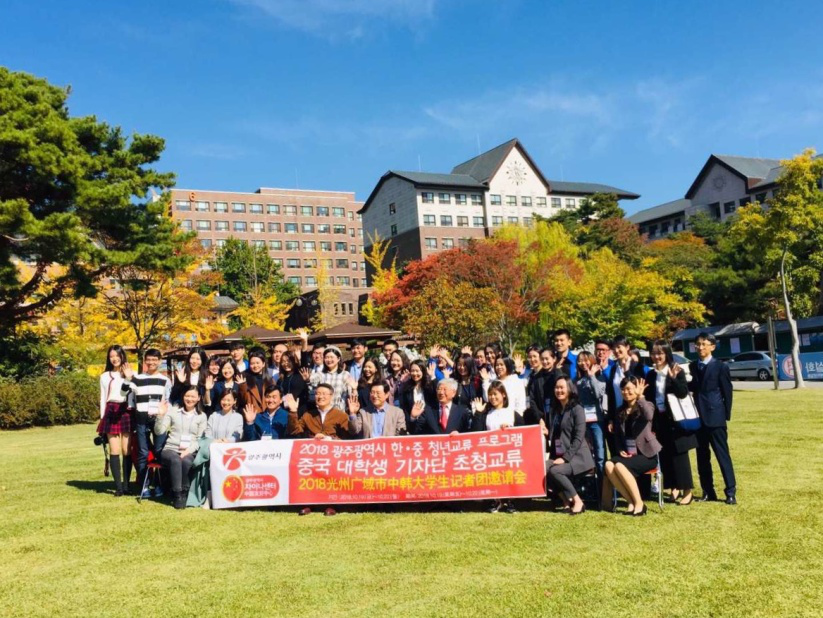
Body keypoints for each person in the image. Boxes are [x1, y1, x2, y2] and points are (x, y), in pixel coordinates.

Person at [646, 339, 696, 505]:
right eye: (654, 353)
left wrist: (674, 379)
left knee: (679, 455)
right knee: (665, 455)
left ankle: (687, 491)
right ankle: (674, 488)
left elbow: (683, 393)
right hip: (659, 420)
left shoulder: (676, 370)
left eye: (660, 353)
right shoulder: (651, 374)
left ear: (667, 354)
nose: (657, 356)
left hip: (675, 419)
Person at [602, 376, 661, 516]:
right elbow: (617, 435)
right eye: (623, 389)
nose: (626, 392)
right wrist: (620, 449)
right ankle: (632, 502)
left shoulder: (646, 405)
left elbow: (649, 416)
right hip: (629, 454)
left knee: (619, 466)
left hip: (646, 455)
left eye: (629, 389)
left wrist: (641, 397)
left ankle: (639, 503)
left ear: (636, 389)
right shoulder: (620, 411)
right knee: (609, 465)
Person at [286, 386, 349, 516]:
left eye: (324, 394)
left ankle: (331, 504)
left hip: (333, 456)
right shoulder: (308, 415)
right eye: (317, 393)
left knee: (332, 475)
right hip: (312, 455)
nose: (320, 396)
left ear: (331, 396)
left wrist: (329, 439)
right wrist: (293, 412)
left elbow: (348, 437)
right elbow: (295, 430)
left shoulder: (341, 415)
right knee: (306, 472)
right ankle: (308, 503)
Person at [689, 332, 736, 505]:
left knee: (722, 455)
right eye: (698, 344)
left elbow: (727, 392)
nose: (700, 347)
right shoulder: (693, 366)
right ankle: (708, 491)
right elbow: (693, 386)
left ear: (712, 347)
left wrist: (725, 415)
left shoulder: (721, 367)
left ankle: (730, 491)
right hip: (698, 418)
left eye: (704, 344)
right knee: (702, 457)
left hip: (715, 417)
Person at [121, 348, 172, 499]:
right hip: (141, 419)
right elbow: (123, 393)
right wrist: (127, 379)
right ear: (144, 361)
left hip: (159, 419)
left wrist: (165, 414)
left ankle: (159, 485)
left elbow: (168, 400)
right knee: (143, 453)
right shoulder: (137, 378)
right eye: (148, 359)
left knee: (159, 451)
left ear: (160, 361)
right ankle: (144, 485)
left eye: (154, 359)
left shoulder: (165, 380)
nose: (151, 362)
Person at [546, 376, 594, 515]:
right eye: (556, 387)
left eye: (562, 387)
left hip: (578, 457)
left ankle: (578, 502)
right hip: (560, 454)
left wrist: (565, 458)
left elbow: (578, 438)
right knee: (543, 467)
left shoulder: (577, 409)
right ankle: (566, 500)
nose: (558, 390)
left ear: (569, 389)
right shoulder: (556, 410)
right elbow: (557, 434)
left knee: (555, 471)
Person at [153, 386, 207, 509]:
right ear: (183, 397)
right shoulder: (173, 411)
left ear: (198, 398)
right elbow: (158, 431)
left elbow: (200, 439)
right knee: (176, 460)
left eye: (193, 396)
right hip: (170, 449)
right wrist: (160, 416)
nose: (189, 399)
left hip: (190, 450)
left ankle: (184, 492)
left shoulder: (202, 416)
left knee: (186, 461)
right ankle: (177, 494)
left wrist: (188, 451)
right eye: (187, 396)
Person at [470, 381, 517, 513]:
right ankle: (496, 501)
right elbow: (476, 431)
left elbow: (522, 431)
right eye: (490, 394)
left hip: (509, 452)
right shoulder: (487, 413)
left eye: (495, 394)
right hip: (491, 452)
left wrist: (510, 429)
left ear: (503, 395)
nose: (492, 397)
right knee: (494, 477)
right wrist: (478, 413)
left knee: (509, 476)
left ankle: (511, 500)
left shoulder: (512, 412)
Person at [98, 345, 134, 496]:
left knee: (126, 450)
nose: (114, 359)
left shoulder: (131, 373)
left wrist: (129, 378)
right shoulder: (105, 376)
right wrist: (102, 418)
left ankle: (127, 486)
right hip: (111, 410)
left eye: (117, 355)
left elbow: (132, 393)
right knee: (115, 450)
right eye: (111, 356)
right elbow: (102, 398)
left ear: (122, 356)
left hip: (126, 410)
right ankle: (118, 487)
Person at [606, 335, 648, 456]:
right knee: (622, 451)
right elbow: (611, 395)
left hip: (636, 414)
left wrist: (626, 372)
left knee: (638, 451)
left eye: (619, 347)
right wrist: (611, 418)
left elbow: (639, 389)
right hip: (620, 415)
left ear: (627, 347)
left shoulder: (638, 367)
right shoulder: (613, 369)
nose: (616, 350)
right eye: (614, 348)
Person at [575, 351, 608, 478]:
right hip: (582, 421)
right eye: (580, 361)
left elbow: (598, 394)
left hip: (596, 420)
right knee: (586, 452)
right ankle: (589, 483)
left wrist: (592, 376)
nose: (583, 363)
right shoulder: (577, 380)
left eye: (585, 360)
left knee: (600, 452)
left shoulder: (600, 377)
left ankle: (603, 481)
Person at [308, 346, 354, 411]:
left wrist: (354, 389)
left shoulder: (345, 375)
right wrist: (307, 379)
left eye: (331, 357)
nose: (329, 360)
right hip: (322, 412)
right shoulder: (320, 374)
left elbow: (350, 395)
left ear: (338, 358)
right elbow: (311, 385)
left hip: (339, 412)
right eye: (326, 357)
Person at [397, 359, 437, 427]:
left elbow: (436, 394)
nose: (415, 373)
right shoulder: (407, 388)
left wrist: (433, 377)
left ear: (423, 371)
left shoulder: (429, 385)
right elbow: (404, 406)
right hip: (415, 422)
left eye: (417, 371)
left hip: (430, 421)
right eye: (412, 371)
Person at [238, 349, 274, 414]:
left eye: (258, 363)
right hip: (252, 414)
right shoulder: (243, 377)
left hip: (268, 413)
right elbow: (243, 400)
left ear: (263, 364)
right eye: (252, 363)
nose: (255, 366)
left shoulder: (269, 379)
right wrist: (242, 386)